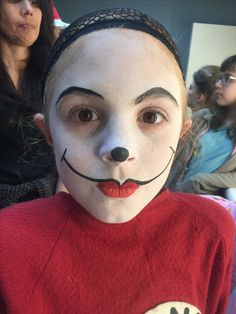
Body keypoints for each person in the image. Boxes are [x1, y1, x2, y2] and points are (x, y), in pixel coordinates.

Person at [0, 8, 234, 314]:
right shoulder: (8, 243)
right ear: (48, 133)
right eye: (85, 114)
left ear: (181, 132)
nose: (119, 148)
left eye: (151, 116)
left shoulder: (211, 232)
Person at [0, 0, 57, 208]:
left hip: (53, 204)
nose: (28, 10)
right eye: (15, 1)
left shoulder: (58, 71)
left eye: (36, 3)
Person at [167, 55, 236, 196]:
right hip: (167, 195)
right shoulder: (202, 117)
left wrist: (197, 182)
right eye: (219, 77)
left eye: (227, 79)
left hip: (198, 204)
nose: (217, 84)